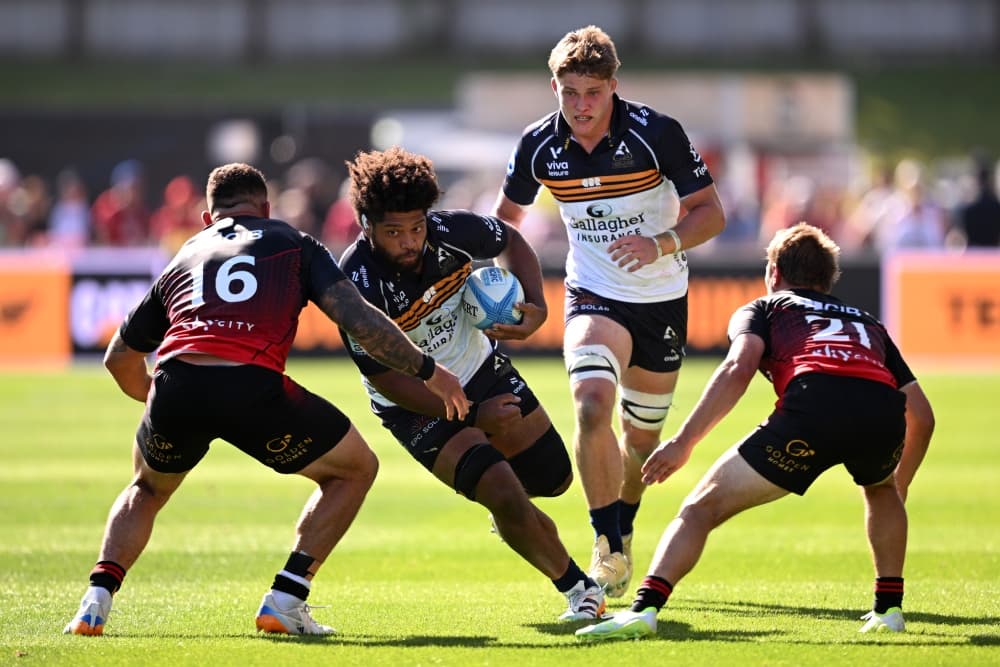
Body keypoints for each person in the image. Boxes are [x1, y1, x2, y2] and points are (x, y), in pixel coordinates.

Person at [64, 162, 467, 637]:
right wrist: (429, 371)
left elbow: (118, 358)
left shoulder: (187, 253)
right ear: (267, 208)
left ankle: (95, 602)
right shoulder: (295, 243)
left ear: (208, 217)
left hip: (177, 382)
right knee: (355, 469)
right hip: (252, 385)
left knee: (146, 489)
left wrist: (160, 398)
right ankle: (286, 599)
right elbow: (358, 320)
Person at [575, 222, 935, 641]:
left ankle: (644, 609)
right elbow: (922, 415)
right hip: (883, 412)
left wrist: (683, 442)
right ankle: (889, 610)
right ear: (828, 278)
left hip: (813, 407)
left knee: (700, 509)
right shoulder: (868, 322)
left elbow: (737, 367)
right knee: (880, 490)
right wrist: (898, 485)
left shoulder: (766, 308)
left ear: (774, 272)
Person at [490, 25, 726, 598]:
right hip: (592, 293)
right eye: (569, 92)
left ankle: (623, 523)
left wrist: (660, 244)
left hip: (660, 300)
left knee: (639, 445)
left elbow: (710, 213)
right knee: (592, 402)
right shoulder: (538, 144)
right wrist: (510, 287)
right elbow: (505, 225)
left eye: (592, 92)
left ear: (613, 86)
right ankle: (607, 544)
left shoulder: (657, 133)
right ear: (554, 87)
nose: (581, 106)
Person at [337, 146, 606, 621]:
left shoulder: (452, 232)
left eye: (416, 227)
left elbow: (511, 240)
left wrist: (537, 306)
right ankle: (580, 590)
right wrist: (472, 415)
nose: (409, 242)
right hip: (414, 402)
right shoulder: (355, 285)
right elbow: (385, 377)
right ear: (366, 225)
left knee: (554, 480)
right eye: (393, 232)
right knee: (502, 491)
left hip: (481, 370)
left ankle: (512, 516)